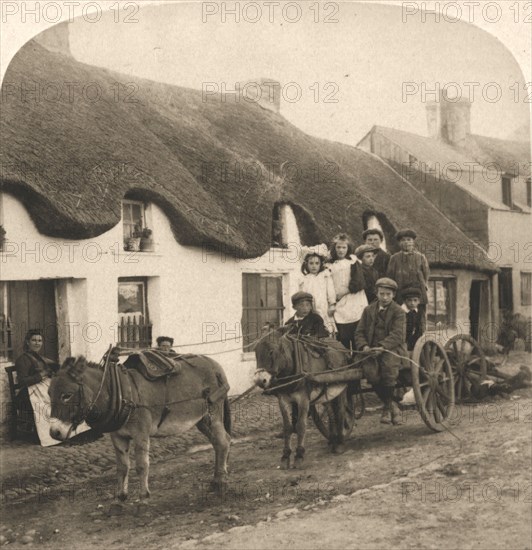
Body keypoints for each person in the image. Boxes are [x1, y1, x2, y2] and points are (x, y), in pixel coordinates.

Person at [14, 329, 90, 446]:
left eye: (39, 340)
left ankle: (72, 431)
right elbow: (22, 381)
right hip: (28, 393)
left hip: (42, 388)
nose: (37, 343)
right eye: (34, 340)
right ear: (27, 342)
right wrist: (41, 375)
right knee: (48, 406)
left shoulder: (40, 358)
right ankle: (54, 434)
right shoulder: (22, 359)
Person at [355, 278, 408, 425]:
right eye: (382, 294)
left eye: (388, 294)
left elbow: (398, 335)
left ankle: (387, 407)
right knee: (370, 373)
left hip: (392, 349)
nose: (385, 297)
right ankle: (392, 405)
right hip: (371, 350)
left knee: (389, 370)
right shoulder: (368, 310)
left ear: (393, 295)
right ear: (376, 293)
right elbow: (359, 332)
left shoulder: (399, 312)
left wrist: (383, 347)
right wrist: (364, 347)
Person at [327, 234, 368, 351]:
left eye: (344, 247)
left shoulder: (353, 262)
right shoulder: (330, 265)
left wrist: (344, 292)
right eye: (338, 247)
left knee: (356, 332)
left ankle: (357, 358)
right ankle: (345, 360)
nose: (341, 250)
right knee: (343, 334)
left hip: (354, 299)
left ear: (348, 248)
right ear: (334, 248)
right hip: (339, 302)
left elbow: (359, 283)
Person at [386, 229, 429, 315]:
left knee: (419, 317)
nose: (406, 242)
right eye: (403, 240)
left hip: (418, 292)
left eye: (409, 240)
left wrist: (424, 285)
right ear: (399, 243)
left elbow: (426, 274)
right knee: (401, 316)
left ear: (413, 242)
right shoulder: (394, 258)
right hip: (401, 292)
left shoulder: (420, 257)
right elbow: (390, 276)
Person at [298, 252, 337, 335]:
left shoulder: (325, 276)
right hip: (310, 309)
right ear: (306, 265)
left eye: (317, 263)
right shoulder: (305, 279)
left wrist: (332, 304)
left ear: (320, 264)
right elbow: (302, 296)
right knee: (312, 330)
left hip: (323, 307)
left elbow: (330, 291)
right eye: (311, 263)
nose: (314, 266)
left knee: (326, 329)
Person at [402, 287, 426, 352]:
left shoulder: (420, 312)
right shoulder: (401, 312)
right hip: (403, 341)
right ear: (404, 301)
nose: (412, 303)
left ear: (419, 301)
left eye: (415, 300)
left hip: (416, 341)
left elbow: (421, 328)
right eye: (409, 300)